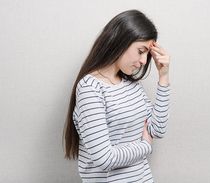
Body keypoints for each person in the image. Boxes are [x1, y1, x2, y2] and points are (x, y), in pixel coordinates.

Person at [63, 9, 170, 182]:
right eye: (140, 51)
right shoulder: (90, 88)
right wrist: (145, 146)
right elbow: (105, 158)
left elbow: (157, 129)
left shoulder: (133, 86)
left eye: (147, 54)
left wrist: (164, 77)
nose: (144, 61)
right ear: (121, 41)